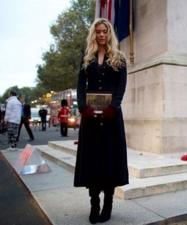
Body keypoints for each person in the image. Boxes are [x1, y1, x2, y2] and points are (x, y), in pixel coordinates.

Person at [74, 18, 128, 224]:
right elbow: (80, 85)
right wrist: (82, 107)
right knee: (93, 161)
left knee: (109, 161)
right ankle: (94, 204)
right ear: (94, 34)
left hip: (111, 119)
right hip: (90, 119)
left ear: (109, 33)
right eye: (98, 31)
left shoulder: (119, 58)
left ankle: (108, 205)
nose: (101, 35)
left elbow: (121, 86)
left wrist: (112, 108)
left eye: (104, 31)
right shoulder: (87, 57)